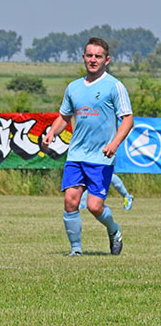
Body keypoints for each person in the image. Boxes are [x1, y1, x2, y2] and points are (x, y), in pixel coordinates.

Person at [42, 37, 133, 257]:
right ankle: (76, 250)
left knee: (94, 206)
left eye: (98, 56)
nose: (93, 60)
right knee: (70, 201)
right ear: (83, 57)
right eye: (89, 55)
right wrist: (52, 132)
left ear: (107, 60)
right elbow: (64, 117)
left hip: (101, 157)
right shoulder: (73, 87)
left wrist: (114, 143)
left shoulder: (114, 86)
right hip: (76, 155)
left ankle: (114, 230)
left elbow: (128, 119)